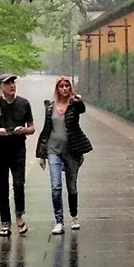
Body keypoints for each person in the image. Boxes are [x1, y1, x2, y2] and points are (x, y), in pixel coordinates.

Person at [36, 75, 92, 234]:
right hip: (53, 150)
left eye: (67, 86)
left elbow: (82, 110)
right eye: (61, 86)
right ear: (57, 89)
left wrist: (79, 101)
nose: (65, 89)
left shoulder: (74, 105)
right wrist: (42, 154)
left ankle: (74, 216)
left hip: (72, 151)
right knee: (56, 187)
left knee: (72, 187)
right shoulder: (50, 107)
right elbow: (46, 130)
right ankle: (59, 221)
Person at [0, 74, 35, 237]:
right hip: (0, 150)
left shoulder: (24, 103)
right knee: (2, 186)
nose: (11, 85)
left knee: (19, 184)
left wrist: (24, 130)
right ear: (0, 86)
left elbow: (32, 128)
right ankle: (5, 223)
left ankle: (19, 217)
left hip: (18, 149)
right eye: (7, 83)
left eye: (13, 82)